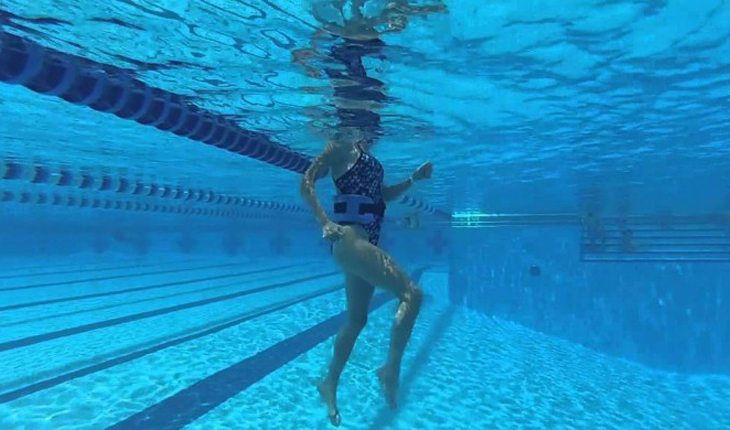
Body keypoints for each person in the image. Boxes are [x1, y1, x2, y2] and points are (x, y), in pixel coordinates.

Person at [301, 129, 433, 426]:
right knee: (413, 295)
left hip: (362, 245)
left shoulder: (365, 152)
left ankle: (329, 383)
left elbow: (381, 196)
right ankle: (390, 370)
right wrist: (324, 222)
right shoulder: (339, 144)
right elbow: (305, 182)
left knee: (357, 320)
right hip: (351, 240)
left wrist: (413, 179)